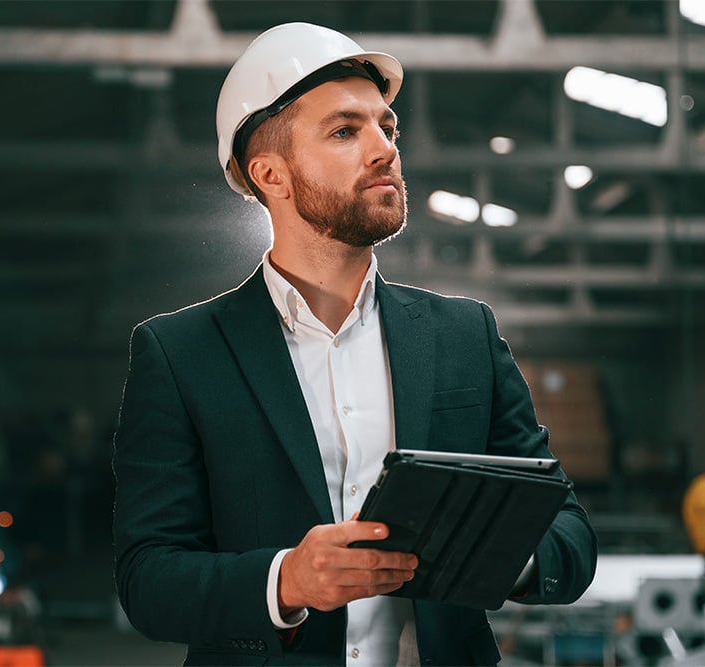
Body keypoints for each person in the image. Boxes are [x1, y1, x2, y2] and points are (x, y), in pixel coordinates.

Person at [113, 22, 597, 666]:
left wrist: (499, 557)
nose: (384, 149)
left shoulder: (465, 336)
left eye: (387, 128)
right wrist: (286, 580)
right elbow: (148, 578)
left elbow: (569, 531)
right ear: (271, 175)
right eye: (345, 131)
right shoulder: (180, 355)